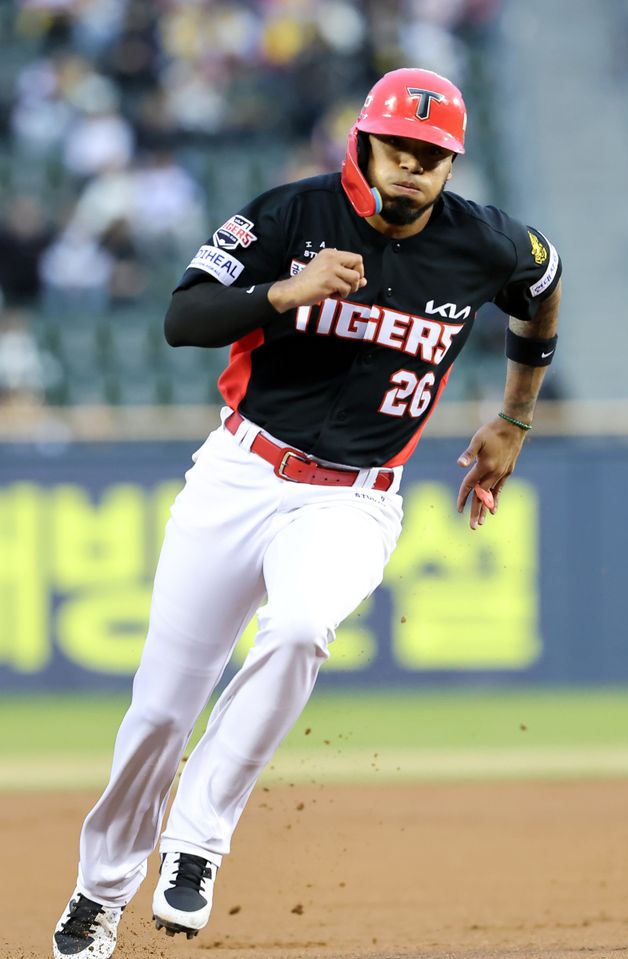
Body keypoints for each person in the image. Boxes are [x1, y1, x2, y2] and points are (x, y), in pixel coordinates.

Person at [52, 67, 562, 959]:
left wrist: (515, 415)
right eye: (399, 145)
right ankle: (99, 893)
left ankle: (198, 841)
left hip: (354, 499)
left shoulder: (483, 241)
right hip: (240, 474)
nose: (414, 165)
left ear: (452, 163)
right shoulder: (292, 214)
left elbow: (545, 280)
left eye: (433, 154)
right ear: (363, 142)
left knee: (298, 629)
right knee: (162, 711)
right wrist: (283, 293)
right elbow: (183, 317)